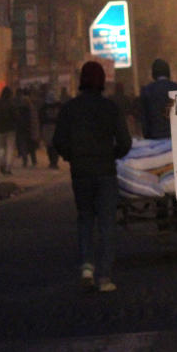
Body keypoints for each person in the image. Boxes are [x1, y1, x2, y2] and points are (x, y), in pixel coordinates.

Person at [53, 61, 132, 292]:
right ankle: (104, 277)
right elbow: (125, 142)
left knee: (85, 219)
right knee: (107, 224)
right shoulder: (110, 108)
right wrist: (113, 155)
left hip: (81, 173)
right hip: (105, 171)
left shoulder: (70, 109)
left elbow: (58, 141)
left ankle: (86, 267)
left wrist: (73, 157)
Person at [138, 58, 177, 139]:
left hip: (155, 137)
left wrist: (147, 135)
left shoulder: (147, 90)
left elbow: (144, 117)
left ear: (153, 73)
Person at [0, 86, 18, 175]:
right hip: (11, 129)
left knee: (1, 148)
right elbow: (16, 116)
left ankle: (2, 164)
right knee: (10, 149)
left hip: (0, 129)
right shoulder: (12, 104)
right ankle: (8, 168)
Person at [14, 88, 38, 168]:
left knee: (23, 146)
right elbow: (34, 121)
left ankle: (25, 161)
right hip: (29, 130)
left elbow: (17, 120)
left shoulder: (19, 109)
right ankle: (34, 161)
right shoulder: (32, 109)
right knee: (31, 146)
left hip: (22, 130)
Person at [39, 89, 62, 169]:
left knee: (50, 146)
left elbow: (41, 118)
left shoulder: (44, 106)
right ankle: (54, 162)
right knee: (53, 146)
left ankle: (52, 162)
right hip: (55, 127)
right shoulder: (59, 106)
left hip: (48, 128)